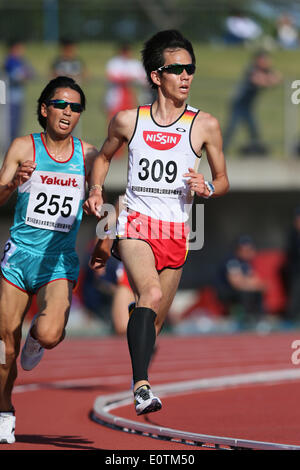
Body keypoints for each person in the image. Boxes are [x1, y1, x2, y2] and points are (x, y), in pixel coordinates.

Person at [83, 29, 229, 416]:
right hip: (135, 222)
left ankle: (140, 339)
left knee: (154, 324)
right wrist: (96, 189)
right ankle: (142, 387)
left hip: (178, 231)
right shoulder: (129, 120)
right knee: (151, 295)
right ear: (155, 76)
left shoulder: (205, 125)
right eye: (176, 69)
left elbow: (223, 179)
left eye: (190, 68)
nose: (185, 76)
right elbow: (102, 157)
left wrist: (208, 187)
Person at [0, 76, 101, 444]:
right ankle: (4, 408)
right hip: (18, 259)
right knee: (3, 347)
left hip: (57, 261)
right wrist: (12, 184)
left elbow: (104, 200)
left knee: (48, 332)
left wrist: (97, 205)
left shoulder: (88, 155)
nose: (68, 112)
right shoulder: (22, 147)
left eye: (76, 107)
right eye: (61, 104)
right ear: (44, 109)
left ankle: (37, 341)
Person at [222, 49, 282, 155]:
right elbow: (259, 80)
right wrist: (269, 80)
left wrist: (269, 78)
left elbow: (278, 78)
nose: (268, 62)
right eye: (265, 60)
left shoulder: (265, 70)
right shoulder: (251, 69)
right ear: (258, 60)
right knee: (231, 128)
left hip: (248, 106)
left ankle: (256, 150)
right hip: (238, 104)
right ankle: (222, 150)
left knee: (253, 129)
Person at [216, 235, 267, 326]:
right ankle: (246, 321)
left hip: (241, 289)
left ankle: (259, 320)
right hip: (226, 292)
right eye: (245, 250)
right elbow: (236, 283)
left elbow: (255, 280)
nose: (248, 252)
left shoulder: (246, 263)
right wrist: (250, 285)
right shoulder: (231, 261)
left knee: (257, 292)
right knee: (246, 293)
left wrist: (256, 285)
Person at [3, 40, 35, 142]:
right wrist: (24, 76)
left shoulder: (21, 61)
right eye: (19, 48)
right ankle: (9, 145)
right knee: (10, 125)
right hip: (10, 99)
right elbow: (17, 77)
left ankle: (14, 144)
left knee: (18, 125)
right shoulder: (9, 62)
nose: (22, 50)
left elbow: (31, 73)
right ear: (13, 48)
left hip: (19, 98)